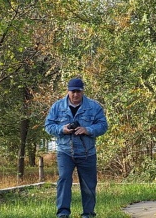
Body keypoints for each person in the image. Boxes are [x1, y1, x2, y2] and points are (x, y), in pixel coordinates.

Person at [45, 78, 108, 218]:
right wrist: (62, 129)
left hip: (87, 153)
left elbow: (103, 126)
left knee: (89, 185)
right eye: (72, 91)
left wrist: (88, 130)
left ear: (82, 91)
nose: (75, 95)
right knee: (64, 181)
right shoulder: (57, 107)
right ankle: (62, 214)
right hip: (65, 151)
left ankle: (88, 214)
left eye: (78, 91)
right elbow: (48, 126)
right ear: (68, 91)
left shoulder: (94, 107)